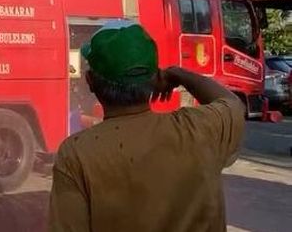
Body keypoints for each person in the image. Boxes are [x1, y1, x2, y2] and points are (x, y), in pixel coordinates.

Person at [48, 20, 245, 232]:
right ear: (155, 78)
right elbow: (233, 103)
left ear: (90, 81)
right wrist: (178, 74)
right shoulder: (200, 129)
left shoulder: (76, 154)